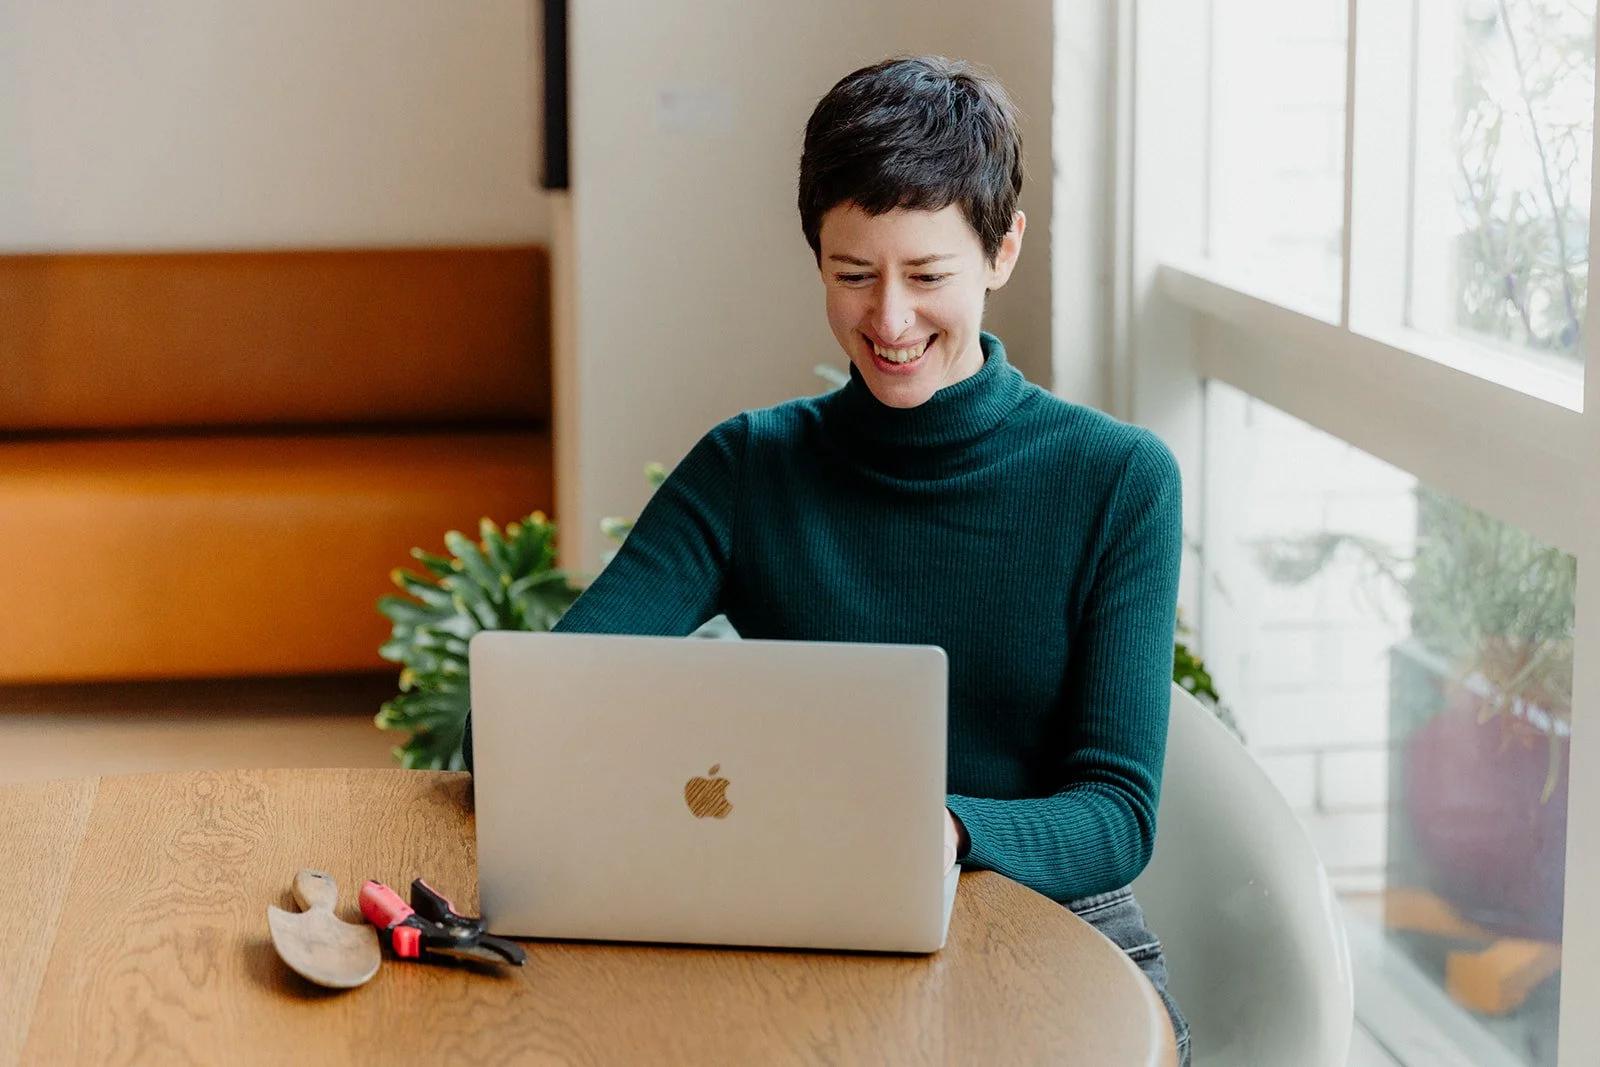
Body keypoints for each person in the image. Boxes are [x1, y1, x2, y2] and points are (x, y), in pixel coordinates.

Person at [469, 55, 1189, 1063]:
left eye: (926, 275)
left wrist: (936, 830)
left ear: (1001, 250)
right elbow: (528, 715)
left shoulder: (1117, 481)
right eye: (854, 275)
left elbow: (1115, 811)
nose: (888, 321)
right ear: (817, 259)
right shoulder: (750, 465)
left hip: (1054, 921)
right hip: (806, 919)